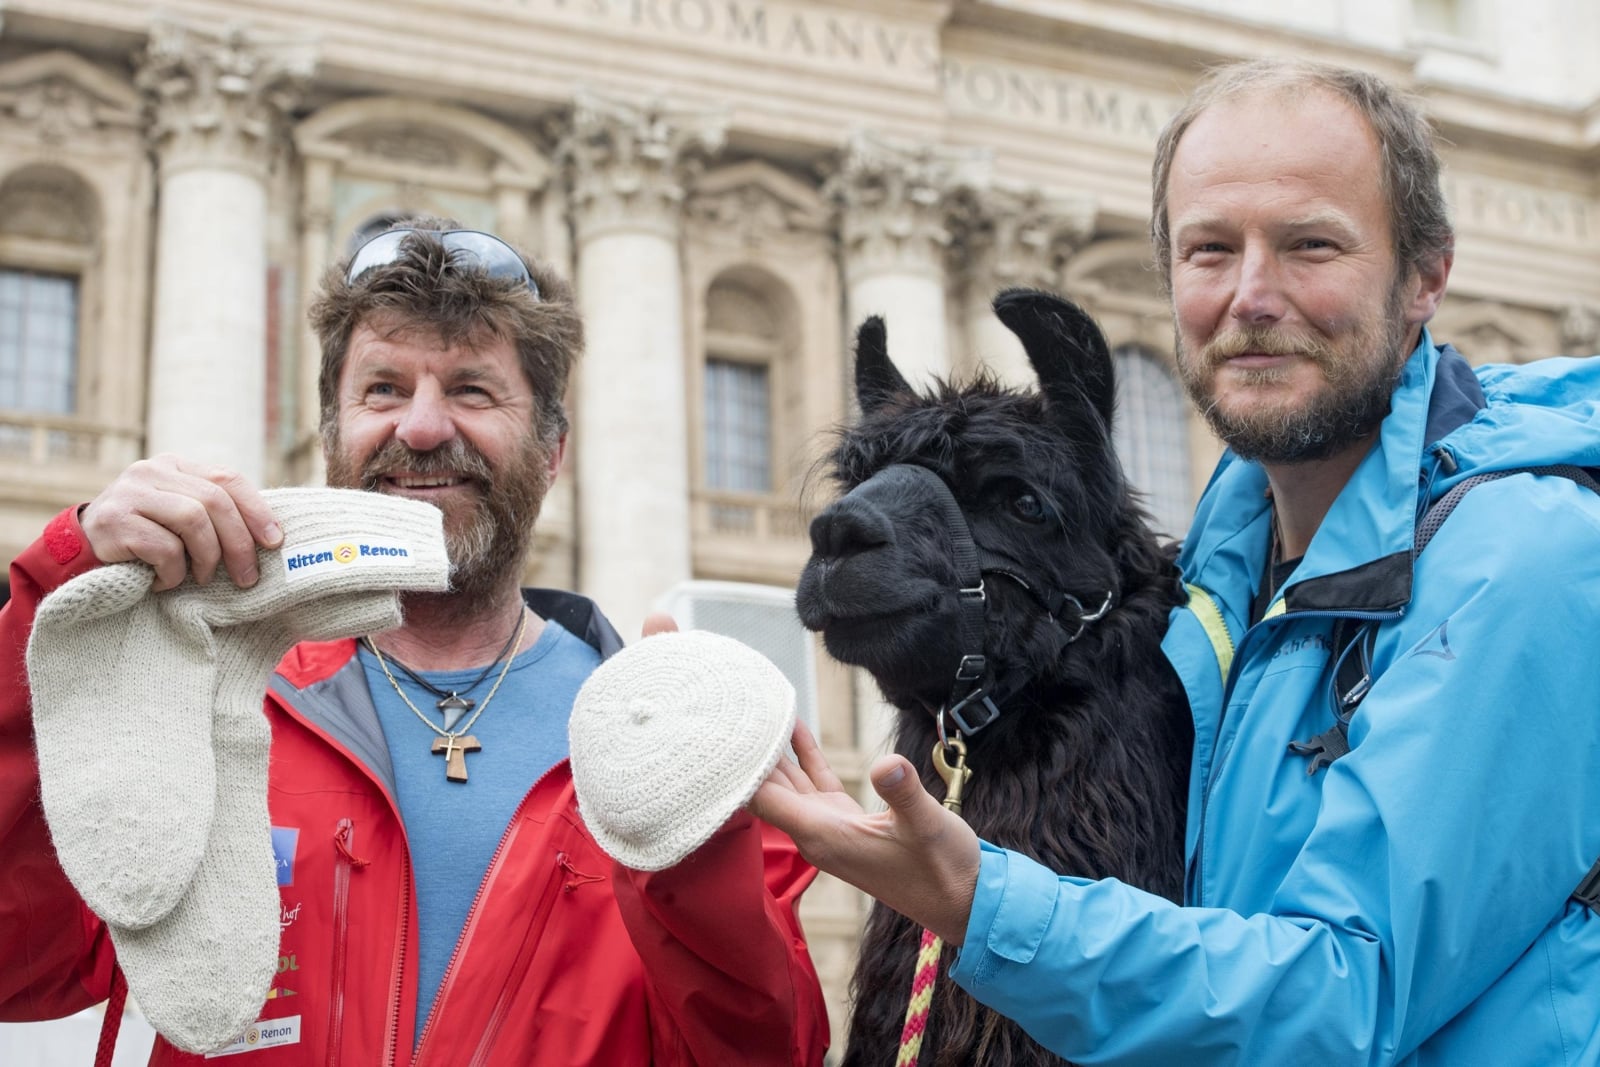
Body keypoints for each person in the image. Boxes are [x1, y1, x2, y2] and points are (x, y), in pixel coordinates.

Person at [752, 58, 1600, 1064]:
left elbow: (1347, 994)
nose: (1250, 294)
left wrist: (979, 898)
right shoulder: (1214, 575)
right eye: (1208, 250)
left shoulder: (1527, 562)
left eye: (1309, 244)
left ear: (1424, 276)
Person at [0, 220, 829, 1065]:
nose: (424, 428)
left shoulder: (679, 751)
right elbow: (18, 963)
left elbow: (760, 1051)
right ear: (332, 434)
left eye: (472, 389)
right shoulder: (203, 701)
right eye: (385, 389)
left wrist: (692, 845)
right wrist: (62, 611)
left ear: (554, 451)